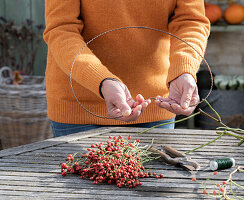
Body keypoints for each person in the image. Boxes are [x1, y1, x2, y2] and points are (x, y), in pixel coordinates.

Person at [43, 0, 210, 137]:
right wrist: (101, 80)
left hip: (155, 106)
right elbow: (61, 29)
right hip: (79, 110)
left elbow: (190, 21)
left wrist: (183, 71)